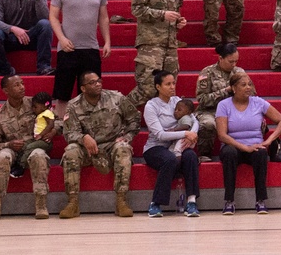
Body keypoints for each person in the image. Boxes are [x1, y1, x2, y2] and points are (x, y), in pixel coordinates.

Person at [59, 71, 141, 219]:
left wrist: (127, 137)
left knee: (123, 149)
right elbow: (69, 133)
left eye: (99, 81)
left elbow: (134, 119)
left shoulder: (116, 98)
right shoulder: (73, 105)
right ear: (83, 88)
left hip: (112, 145)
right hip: (87, 149)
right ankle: (72, 202)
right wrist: (83, 138)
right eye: (92, 82)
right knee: (70, 151)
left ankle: (121, 201)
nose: (98, 84)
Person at [0, 75, 53, 221]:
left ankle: (41, 204)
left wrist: (51, 132)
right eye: (16, 85)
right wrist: (8, 144)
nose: (22, 87)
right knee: (2, 156)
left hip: (33, 145)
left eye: (22, 83)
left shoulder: (35, 103)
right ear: (6, 90)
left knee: (39, 155)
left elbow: (55, 120)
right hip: (12, 148)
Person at [216, 72, 281, 214]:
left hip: (255, 145)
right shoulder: (224, 105)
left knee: (261, 153)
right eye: (243, 85)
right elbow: (222, 135)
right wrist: (244, 147)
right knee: (229, 153)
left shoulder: (259, 102)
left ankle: (260, 200)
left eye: (250, 84)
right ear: (234, 88)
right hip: (233, 145)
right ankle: (229, 201)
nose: (248, 87)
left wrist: (267, 141)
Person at [49, 0, 111, 118]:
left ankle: (88, 126)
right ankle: (63, 125)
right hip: (68, 48)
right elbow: (53, 17)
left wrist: (107, 41)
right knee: (63, 93)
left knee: (90, 92)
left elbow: (103, 17)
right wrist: (61, 38)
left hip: (90, 47)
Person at [129, 0, 186, 110]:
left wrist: (178, 22)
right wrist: (162, 14)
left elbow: (171, 14)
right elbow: (136, 9)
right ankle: (118, 113)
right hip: (150, 44)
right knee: (146, 89)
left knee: (168, 89)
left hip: (170, 44)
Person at [142, 70, 202, 218]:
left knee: (191, 157)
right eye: (168, 84)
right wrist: (185, 134)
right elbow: (160, 134)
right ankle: (156, 204)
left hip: (178, 145)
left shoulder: (177, 101)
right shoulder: (151, 106)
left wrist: (192, 134)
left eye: (173, 83)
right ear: (158, 86)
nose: (172, 87)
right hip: (156, 147)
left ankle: (192, 202)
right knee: (169, 159)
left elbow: (195, 121)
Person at [194, 43, 256, 160]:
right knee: (208, 124)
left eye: (236, 61)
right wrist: (225, 91)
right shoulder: (207, 72)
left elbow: (252, 93)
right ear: (221, 58)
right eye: (230, 61)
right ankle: (205, 154)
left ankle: (250, 152)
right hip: (212, 110)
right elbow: (202, 99)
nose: (234, 65)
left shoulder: (239, 72)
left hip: (235, 109)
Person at [12, 91, 55, 178]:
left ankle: (21, 166)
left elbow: (51, 124)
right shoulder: (41, 113)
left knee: (29, 147)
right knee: (24, 145)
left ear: (44, 106)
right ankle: (17, 162)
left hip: (44, 141)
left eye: (35, 107)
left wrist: (42, 135)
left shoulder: (47, 113)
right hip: (37, 138)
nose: (33, 109)